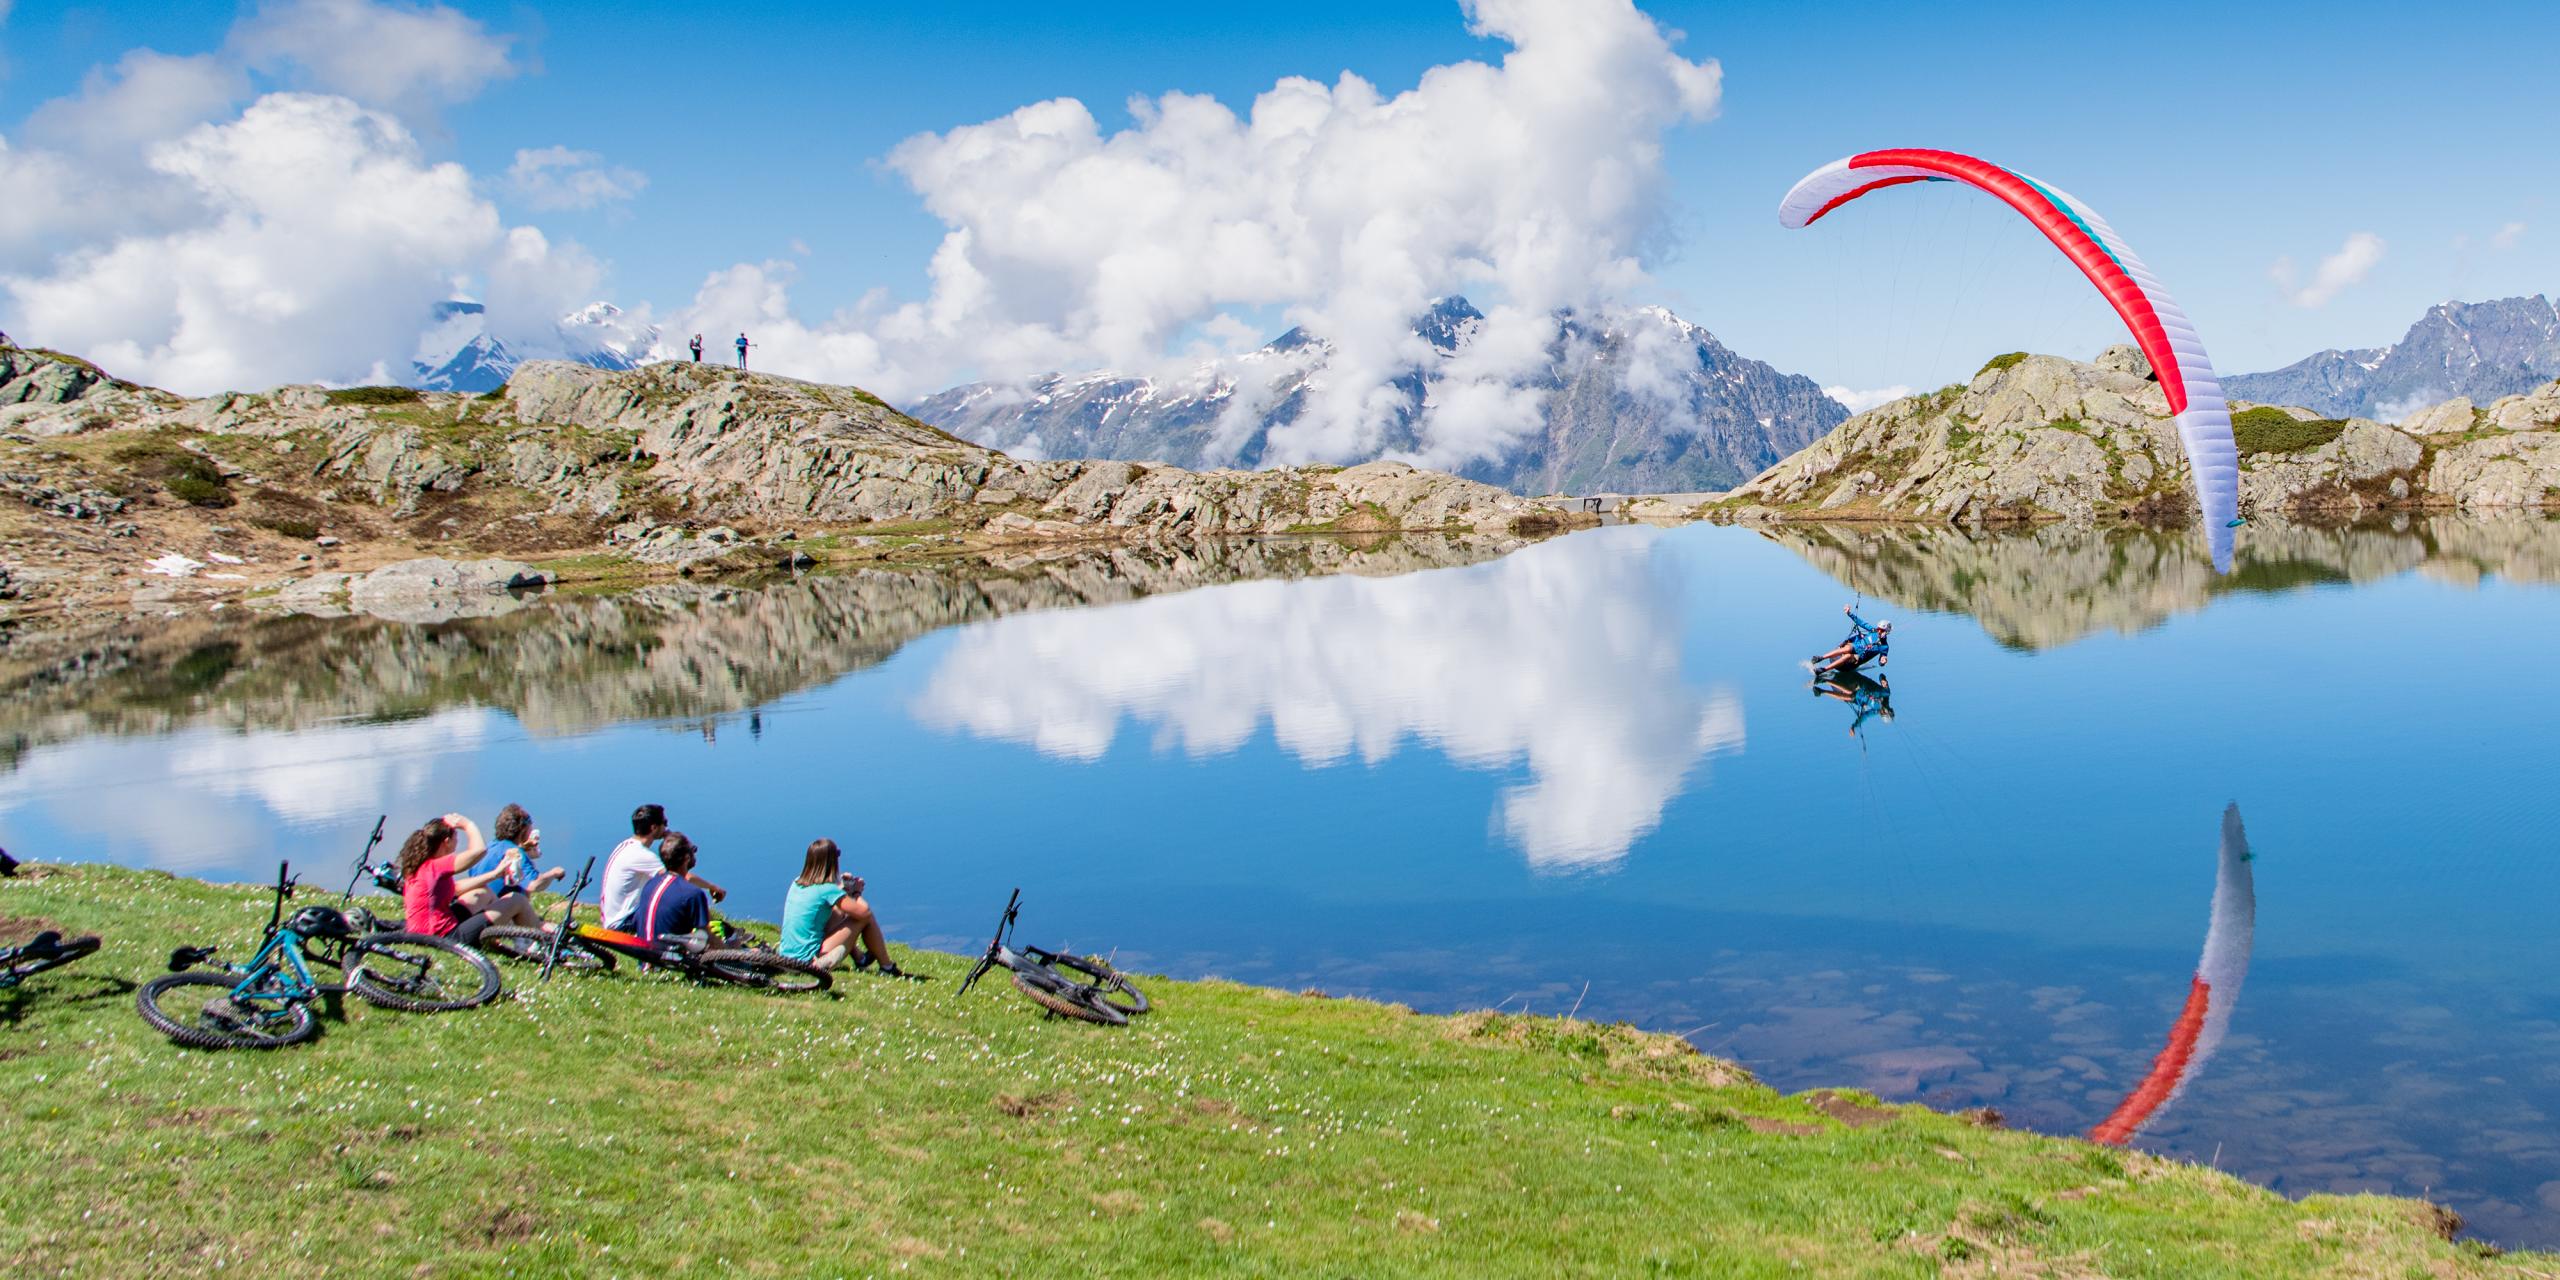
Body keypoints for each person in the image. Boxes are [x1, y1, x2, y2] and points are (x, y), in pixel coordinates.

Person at [398, 813, 541, 946]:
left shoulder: (424, 865)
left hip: (421, 933)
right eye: (456, 838)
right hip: (444, 937)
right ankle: (538, 943)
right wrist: (468, 825)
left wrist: (495, 874)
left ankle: (510, 933)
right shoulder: (437, 866)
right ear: (447, 841)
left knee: (482, 893)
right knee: (517, 900)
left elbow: (457, 888)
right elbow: (479, 851)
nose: (458, 842)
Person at [779, 838, 902, 976]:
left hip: (787, 958)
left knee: (838, 911)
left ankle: (860, 958)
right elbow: (864, 913)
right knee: (864, 917)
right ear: (831, 861)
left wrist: (842, 886)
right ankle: (887, 967)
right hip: (809, 960)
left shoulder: (796, 883)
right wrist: (856, 892)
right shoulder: (828, 890)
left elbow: (829, 899)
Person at [600, 803, 726, 931]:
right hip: (623, 923)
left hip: (614, 919)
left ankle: (714, 929)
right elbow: (679, 879)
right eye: (664, 823)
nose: (666, 827)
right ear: (654, 827)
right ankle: (715, 932)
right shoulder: (642, 855)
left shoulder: (626, 846)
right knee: (681, 900)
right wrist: (712, 887)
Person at [634, 832, 715, 945]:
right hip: (670, 959)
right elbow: (708, 938)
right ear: (687, 858)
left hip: (645, 956)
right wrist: (731, 950)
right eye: (693, 850)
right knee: (710, 938)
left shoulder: (650, 885)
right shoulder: (692, 893)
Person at [487, 804, 564, 899]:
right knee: (522, 894)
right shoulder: (516, 852)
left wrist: (525, 850)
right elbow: (534, 884)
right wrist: (554, 873)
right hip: (500, 906)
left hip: (482, 903)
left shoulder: (488, 847)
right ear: (523, 830)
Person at [1810, 603, 1891, 676]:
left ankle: (1823, 670)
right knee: (1848, 648)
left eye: (1882, 630)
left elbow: (1881, 661)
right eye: (1878, 628)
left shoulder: (1884, 647)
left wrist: (1883, 661)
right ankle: (1820, 658)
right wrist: (1849, 613)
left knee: (1848, 655)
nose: (1879, 631)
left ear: (1886, 632)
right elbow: (1861, 623)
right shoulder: (1873, 631)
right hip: (1855, 646)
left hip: (1858, 657)